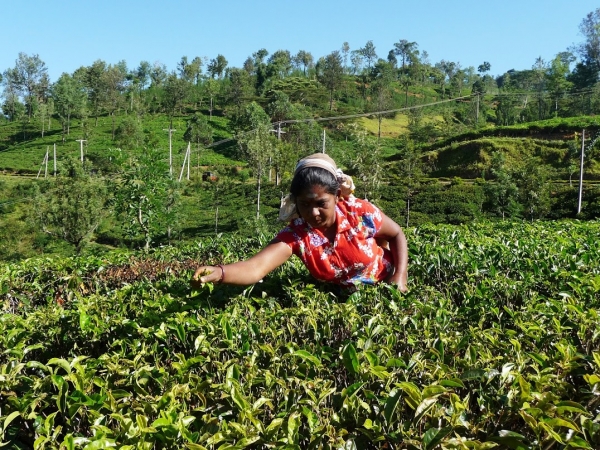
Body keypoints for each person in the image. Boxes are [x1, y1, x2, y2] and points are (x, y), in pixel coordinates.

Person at [192, 153, 408, 292]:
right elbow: (256, 267)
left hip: (385, 285)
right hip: (342, 300)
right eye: (304, 204)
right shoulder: (297, 235)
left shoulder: (358, 212)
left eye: (321, 203)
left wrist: (400, 277)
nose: (313, 212)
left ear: (337, 196)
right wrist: (220, 273)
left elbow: (396, 234)